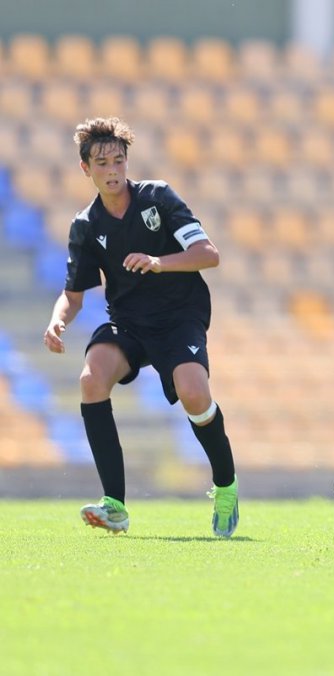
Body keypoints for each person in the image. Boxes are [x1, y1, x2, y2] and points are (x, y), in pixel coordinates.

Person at [42, 117, 240, 538]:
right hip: (128, 323)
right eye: (101, 163)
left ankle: (225, 486)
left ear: (127, 161)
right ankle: (114, 505)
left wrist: (158, 263)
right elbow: (74, 295)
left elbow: (209, 254)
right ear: (85, 169)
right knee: (91, 380)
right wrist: (58, 321)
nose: (112, 171)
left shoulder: (159, 198)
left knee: (194, 395)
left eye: (118, 160)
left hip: (178, 316)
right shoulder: (86, 225)